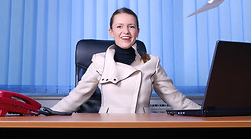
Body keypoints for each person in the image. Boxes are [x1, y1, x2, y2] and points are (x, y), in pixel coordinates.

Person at [51, 7, 200, 113]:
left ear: (137, 32)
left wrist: (203, 112)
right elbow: (77, 96)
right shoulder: (99, 62)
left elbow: (174, 97)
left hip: (142, 126)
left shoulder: (151, 63)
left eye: (131, 27)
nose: (126, 32)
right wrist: (49, 112)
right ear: (111, 32)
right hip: (107, 127)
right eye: (119, 26)